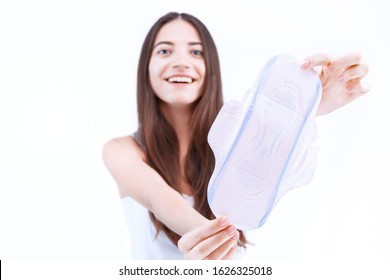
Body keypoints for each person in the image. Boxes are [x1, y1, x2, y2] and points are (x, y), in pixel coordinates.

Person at [102, 12, 369, 260]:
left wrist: (305, 109)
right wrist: (207, 233)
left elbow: (272, 150)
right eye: (164, 50)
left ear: (211, 68)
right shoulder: (122, 150)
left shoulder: (235, 141)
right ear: (145, 67)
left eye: (196, 51)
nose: (181, 62)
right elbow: (157, 195)